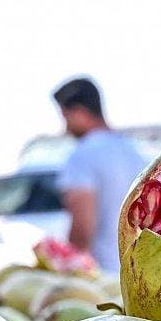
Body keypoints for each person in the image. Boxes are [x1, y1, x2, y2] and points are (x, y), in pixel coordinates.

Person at [53, 77, 146, 274]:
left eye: (65, 117)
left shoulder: (82, 155)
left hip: (102, 277)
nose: (66, 128)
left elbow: (82, 227)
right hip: (138, 275)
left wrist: (71, 270)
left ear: (79, 112)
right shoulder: (135, 151)